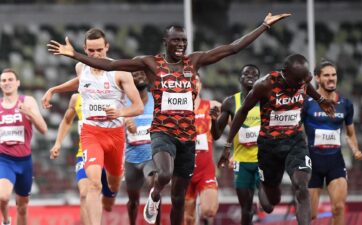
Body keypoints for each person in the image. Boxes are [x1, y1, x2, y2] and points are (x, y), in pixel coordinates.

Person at [47, 12, 291, 225]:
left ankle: (160, 202)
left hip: (187, 137)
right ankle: (154, 196)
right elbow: (109, 66)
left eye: (184, 40)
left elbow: (232, 48)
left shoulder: (193, 62)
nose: (181, 44)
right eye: (176, 40)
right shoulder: (151, 63)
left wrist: (264, 26)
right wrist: (76, 55)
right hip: (162, 132)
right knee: (163, 174)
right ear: (166, 42)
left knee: (177, 197)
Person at [219, 54, 336, 225]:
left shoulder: (301, 80)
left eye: (304, 80)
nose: (301, 84)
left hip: (295, 140)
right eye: (298, 81)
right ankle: (267, 189)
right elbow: (242, 111)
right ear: (285, 74)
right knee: (270, 203)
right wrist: (228, 144)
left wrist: (320, 99)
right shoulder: (265, 85)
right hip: (269, 146)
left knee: (301, 186)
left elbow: (306, 84)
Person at [44, 28, 144, 225]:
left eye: (100, 50)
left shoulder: (120, 73)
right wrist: (54, 89)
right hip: (91, 134)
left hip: (115, 135)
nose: (96, 55)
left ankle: (111, 192)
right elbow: (80, 83)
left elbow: (138, 106)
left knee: (113, 184)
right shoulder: (82, 68)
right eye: (91, 51)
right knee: (93, 184)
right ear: (84, 49)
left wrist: (121, 113)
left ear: (107, 47)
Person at [302, 60, 362, 225]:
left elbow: (350, 133)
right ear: (317, 78)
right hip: (312, 163)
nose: (331, 78)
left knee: (338, 208)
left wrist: (355, 149)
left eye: (334, 75)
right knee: (310, 215)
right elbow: (297, 131)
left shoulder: (345, 104)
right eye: (327, 75)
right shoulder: (307, 104)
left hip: (335, 162)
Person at [49, 93, 118, 225]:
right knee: (85, 193)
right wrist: (58, 143)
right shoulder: (76, 98)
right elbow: (67, 120)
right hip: (85, 154)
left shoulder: (111, 93)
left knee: (107, 198)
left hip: (109, 155)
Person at [213, 64, 261, 225]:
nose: (250, 76)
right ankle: (251, 216)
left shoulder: (266, 101)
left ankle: (258, 209)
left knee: (268, 205)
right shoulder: (230, 102)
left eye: (255, 75)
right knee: (245, 207)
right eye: (246, 73)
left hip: (263, 161)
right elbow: (216, 134)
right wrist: (214, 121)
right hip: (241, 161)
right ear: (240, 78)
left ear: (259, 80)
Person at [0, 69, 48, 225]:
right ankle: (6, 220)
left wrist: (30, 113)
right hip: (4, 159)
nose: (7, 83)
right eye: (3, 80)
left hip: (24, 161)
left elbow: (43, 129)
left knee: (22, 206)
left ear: (18, 82)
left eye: (10, 79)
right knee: (3, 196)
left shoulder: (28, 101)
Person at [124, 70, 161, 225]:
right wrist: (125, 123)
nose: (139, 77)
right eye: (135, 75)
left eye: (142, 74)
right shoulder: (123, 102)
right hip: (131, 158)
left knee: (155, 188)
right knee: (133, 200)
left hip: (151, 156)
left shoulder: (157, 101)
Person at [184, 74, 221, 225]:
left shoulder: (212, 106)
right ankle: (195, 210)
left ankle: (202, 203)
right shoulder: (174, 112)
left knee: (209, 211)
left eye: (196, 81)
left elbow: (237, 122)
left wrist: (233, 150)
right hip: (183, 173)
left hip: (205, 170)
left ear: (200, 85)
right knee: (188, 219)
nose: (192, 85)